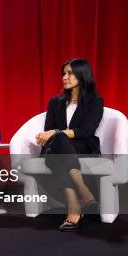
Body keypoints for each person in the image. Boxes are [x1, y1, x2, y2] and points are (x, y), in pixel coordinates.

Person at [36, 58, 103, 231]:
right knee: (57, 142)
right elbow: (49, 131)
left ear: (83, 75)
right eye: (63, 74)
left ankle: (74, 208)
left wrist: (57, 133)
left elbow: (86, 132)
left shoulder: (95, 102)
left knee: (55, 147)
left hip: (82, 147)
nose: (64, 77)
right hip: (57, 147)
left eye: (70, 73)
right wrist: (56, 134)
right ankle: (83, 193)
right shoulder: (54, 102)